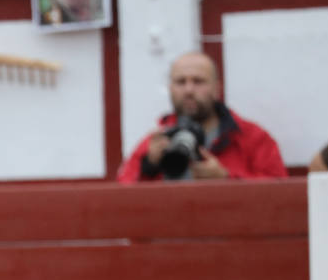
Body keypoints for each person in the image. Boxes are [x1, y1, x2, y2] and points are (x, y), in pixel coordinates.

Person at [117, 51, 286, 182]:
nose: (189, 90)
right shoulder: (156, 141)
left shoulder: (251, 138)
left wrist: (226, 179)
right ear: (170, 88)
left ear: (216, 88)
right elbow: (122, 197)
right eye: (181, 82)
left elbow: (279, 192)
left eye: (198, 81)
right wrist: (148, 166)